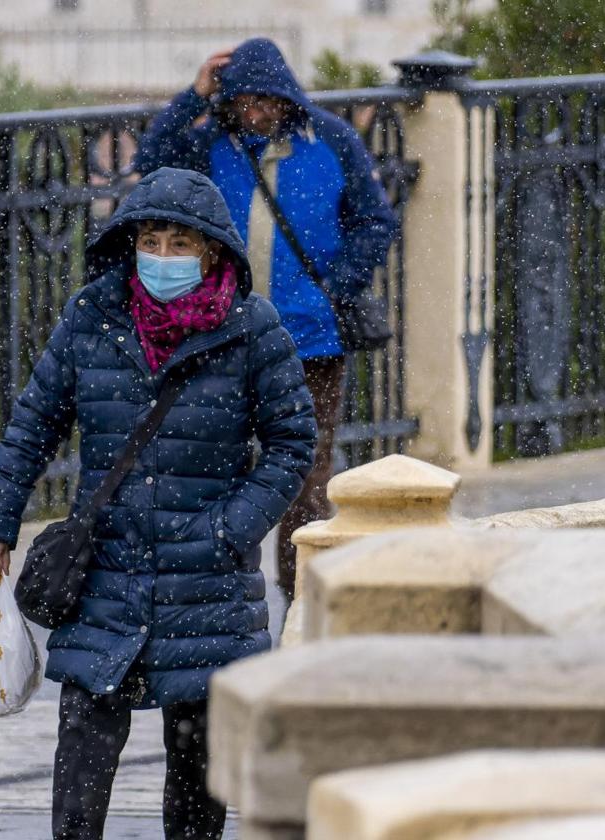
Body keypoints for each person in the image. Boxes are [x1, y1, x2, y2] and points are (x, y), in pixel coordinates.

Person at [0, 167, 317, 840]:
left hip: (206, 581)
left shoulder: (253, 330)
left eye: (180, 243)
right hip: (107, 567)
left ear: (212, 251)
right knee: (84, 746)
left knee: (197, 765)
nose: (162, 256)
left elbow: (290, 444)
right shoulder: (92, 317)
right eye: (150, 240)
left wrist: (231, 529)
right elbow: (36, 420)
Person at [134, 38, 399, 601]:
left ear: (285, 99)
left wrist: (334, 290)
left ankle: (300, 603)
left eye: (265, 101)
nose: (255, 112)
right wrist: (193, 96)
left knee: (304, 479)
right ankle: (222, 601)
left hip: (312, 345)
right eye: (244, 101)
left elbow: (376, 222)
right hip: (221, 339)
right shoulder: (210, 146)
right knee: (218, 473)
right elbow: (150, 166)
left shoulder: (329, 140)